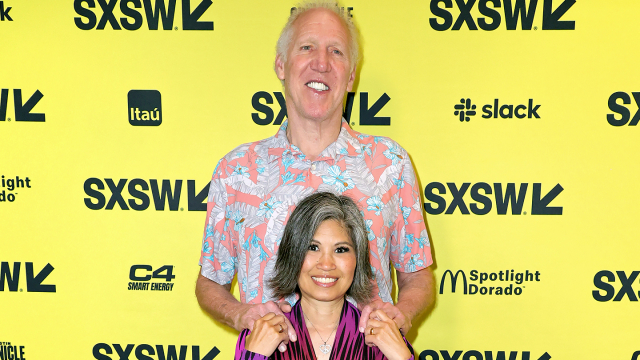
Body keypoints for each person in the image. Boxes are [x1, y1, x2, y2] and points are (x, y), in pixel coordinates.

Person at [196, 1, 435, 352]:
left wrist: (402, 314)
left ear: (352, 75)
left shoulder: (391, 164)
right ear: (281, 64)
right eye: (307, 47)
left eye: (336, 51)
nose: (321, 63)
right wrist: (240, 315)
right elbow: (209, 283)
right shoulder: (236, 170)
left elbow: (418, 276)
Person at [235, 192, 414, 360]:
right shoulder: (259, 333)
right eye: (312, 247)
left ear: (358, 260)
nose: (326, 264)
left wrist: (402, 356)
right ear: (292, 254)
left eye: (341, 249)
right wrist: (255, 356)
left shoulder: (382, 334)